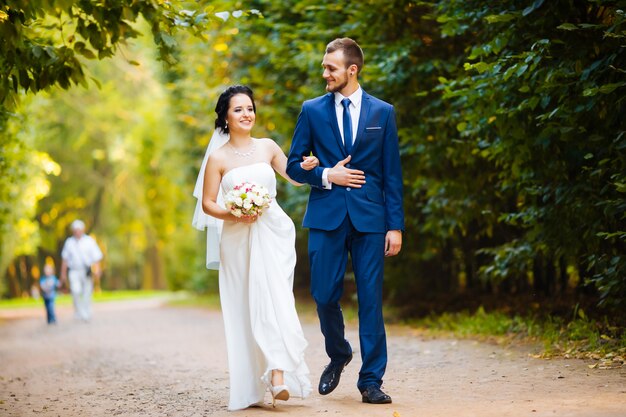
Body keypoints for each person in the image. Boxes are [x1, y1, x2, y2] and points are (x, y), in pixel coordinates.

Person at [286, 37, 405, 404]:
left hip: (371, 218)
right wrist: (324, 174)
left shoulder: (382, 113)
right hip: (326, 215)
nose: (324, 73)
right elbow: (293, 165)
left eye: (331, 68)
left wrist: (395, 225)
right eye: (325, 67)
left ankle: (371, 381)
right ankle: (339, 353)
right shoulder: (312, 110)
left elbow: (392, 173)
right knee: (323, 295)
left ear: (351, 70)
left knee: (371, 300)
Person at [192, 85, 318, 410]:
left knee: (274, 297)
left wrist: (306, 168)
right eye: (238, 109)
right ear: (225, 117)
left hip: (273, 233)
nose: (246, 114)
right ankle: (253, 383)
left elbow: (293, 176)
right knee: (244, 307)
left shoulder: (267, 147)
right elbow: (207, 203)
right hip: (236, 239)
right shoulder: (218, 158)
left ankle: (278, 375)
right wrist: (234, 211)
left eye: (249, 108)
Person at [60, 219, 103, 322]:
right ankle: (79, 311)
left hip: (86, 270)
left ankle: (86, 311)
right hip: (74, 271)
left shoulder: (89, 241)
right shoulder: (69, 242)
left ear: (83, 230)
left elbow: (96, 257)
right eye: (75, 230)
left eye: (79, 230)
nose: (77, 232)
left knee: (87, 292)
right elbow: (65, 259)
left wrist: (97, 270)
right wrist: (63, 274)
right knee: (75, 290)